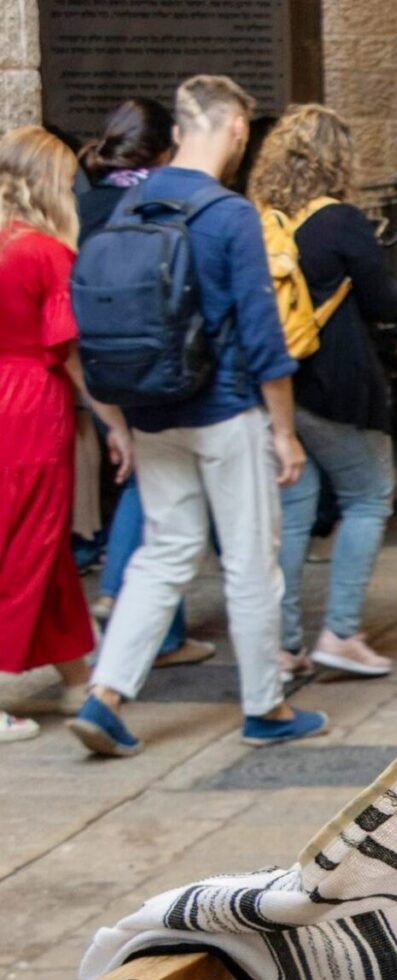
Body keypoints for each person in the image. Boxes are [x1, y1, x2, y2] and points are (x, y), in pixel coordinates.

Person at [70, 75, 324, 758]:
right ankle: (265, 706)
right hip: (226, 410)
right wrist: (284, 430)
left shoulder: (126, 207)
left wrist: (118, 423)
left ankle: (108, 695)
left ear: (180, 129)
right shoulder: (228, 213)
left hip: (151, 411)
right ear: (238, 129)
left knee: (164, 552)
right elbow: (264, 336)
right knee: (250, 562)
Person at [249, 104, 397, 678]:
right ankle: (340, 631)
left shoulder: (262, 219)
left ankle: (282, 645)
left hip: (279, 388)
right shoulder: (339, 221)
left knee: (293, 510)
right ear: (337, 159)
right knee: (369, 495)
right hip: (337, 384)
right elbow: (384, 299)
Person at [0, 127, 130, 740]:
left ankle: (75, 670)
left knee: (39, 545)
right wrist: (115, 424)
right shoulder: (47, 253)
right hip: (29, 407)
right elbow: (71, 352)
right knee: (27, 543)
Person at [78, 98, 210, 669]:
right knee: (156, 488)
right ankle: (137, 608)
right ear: (166, 149)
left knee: (150, 485)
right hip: (154, 361)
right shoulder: (160, 203)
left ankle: (154, 621)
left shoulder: (86, 204)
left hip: (97, 360)